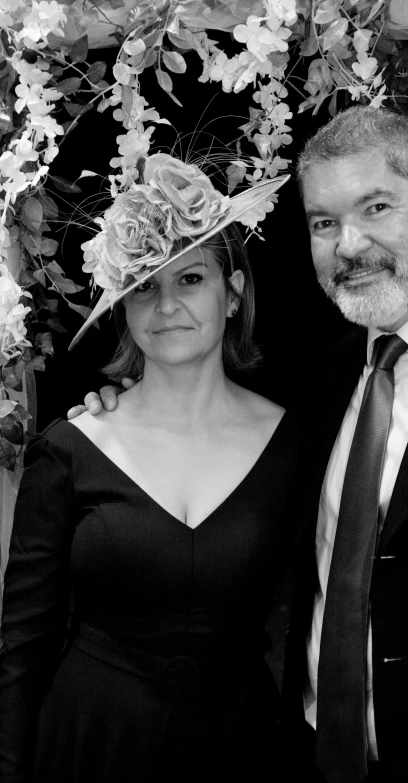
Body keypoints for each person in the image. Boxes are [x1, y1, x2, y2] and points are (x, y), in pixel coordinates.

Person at [68, 107, 408, 781]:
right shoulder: (326, 374)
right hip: (307, 752)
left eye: (375, 207)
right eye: (323, 223)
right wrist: (120, 417)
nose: (349, 244)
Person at [0, 154, 299, 783]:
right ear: (123, 307)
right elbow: (20, 655)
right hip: (89, 746)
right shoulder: (70, 449)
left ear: (233, 291)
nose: (166, 306)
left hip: (239, 750)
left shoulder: (295, 445)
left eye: (190, 279)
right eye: (144, 286)